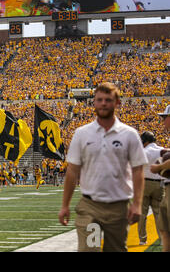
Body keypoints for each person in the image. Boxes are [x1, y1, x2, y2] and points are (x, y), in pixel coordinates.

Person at [58, 82, 147, 252]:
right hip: (90, 206)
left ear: (117, 103)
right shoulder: (82, 133)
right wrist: (65, 205)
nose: (104, 103)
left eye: (108, 99)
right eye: (99, 100)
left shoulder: (129, 134)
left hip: (118, 206)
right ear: (94, 103)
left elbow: (138, 170)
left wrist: (137, 204)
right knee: (89, 250)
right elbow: (72, 171)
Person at [138, 131, 164, 245]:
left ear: (145, 141)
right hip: (159, 184)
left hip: (145, 184)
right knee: (158, 213)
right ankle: (162, 239)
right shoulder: (163, 150)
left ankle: (143, 240)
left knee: (142, 214)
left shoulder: (143, 152)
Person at [150, 105, 170, 252]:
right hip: (165, 187)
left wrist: (159, 167)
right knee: (164, 227)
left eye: (165, 118)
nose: (162, 121)